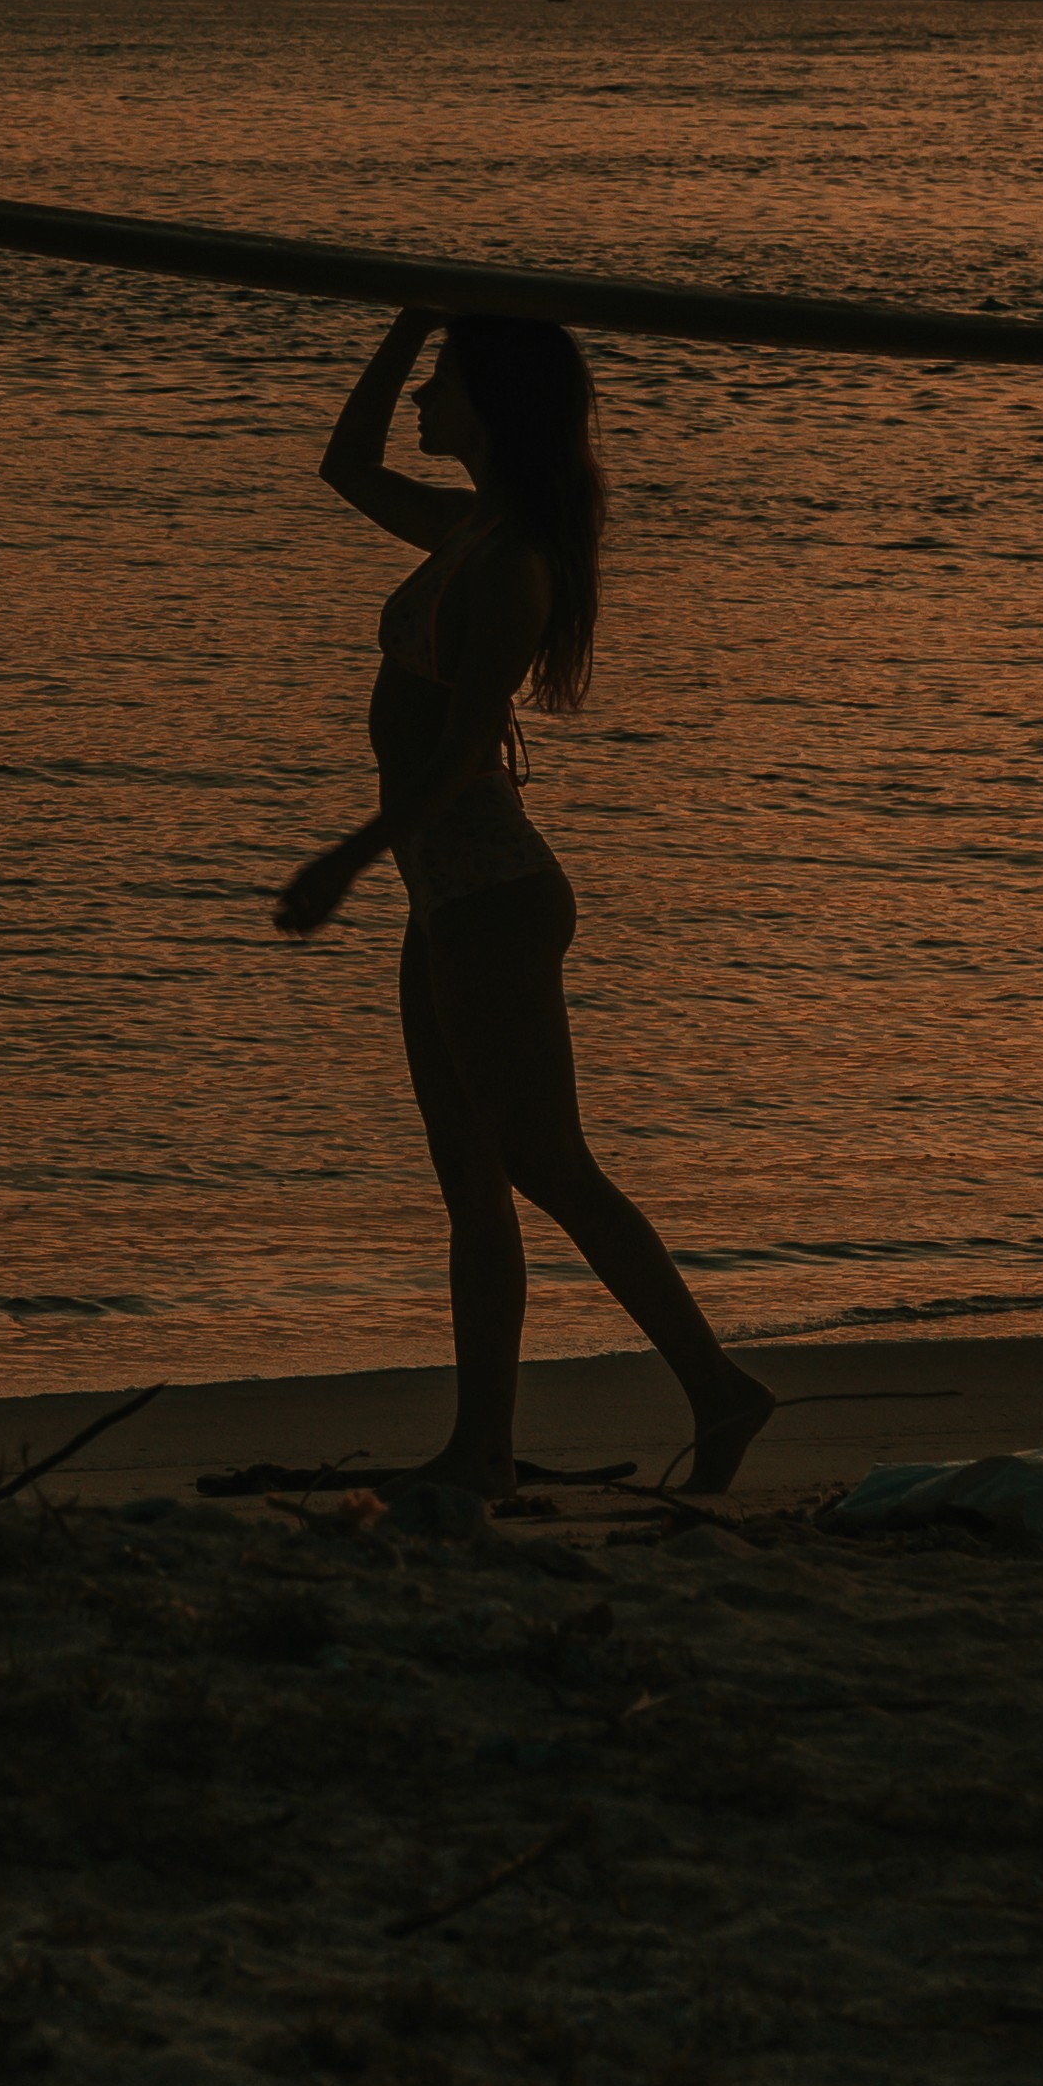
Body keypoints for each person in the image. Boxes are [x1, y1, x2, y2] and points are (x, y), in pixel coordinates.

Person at [274, 301, 775, 1502]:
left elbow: (454, 757)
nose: (420, 401)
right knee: (472, 1175)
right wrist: (404, 319)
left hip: (491, 893)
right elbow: (342, 463)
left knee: (549, 1163)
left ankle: (718, 1386)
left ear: (493, 408)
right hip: (446, 897)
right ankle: (481, 1447)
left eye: (439, 381)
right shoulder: (467, 529)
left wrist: (344, 858)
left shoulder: (513, 567)